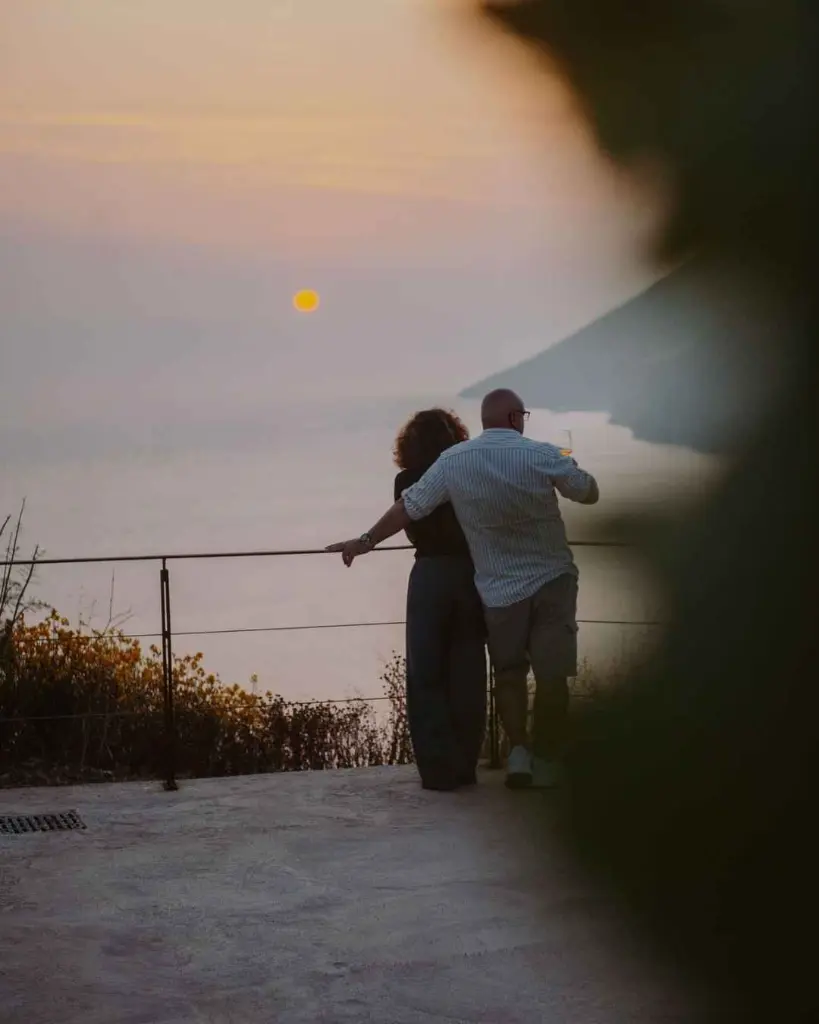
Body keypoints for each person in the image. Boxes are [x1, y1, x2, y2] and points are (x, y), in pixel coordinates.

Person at [327, 388, 599, 790]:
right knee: (549, 676)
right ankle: (544, 759)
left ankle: (511, 756)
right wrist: (565, 458)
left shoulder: (454, 462)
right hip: (549, 579)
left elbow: (409, 506)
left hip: (495, 586)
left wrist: (363, 542)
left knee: (502, 672)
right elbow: (588, 491)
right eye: (521, 414)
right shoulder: (543, 452)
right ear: (513, 419)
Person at [390, 409, 487, 791]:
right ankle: (466, 765)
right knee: (468, 671)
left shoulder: (407, 480)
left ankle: (436, 769)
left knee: (426, 672)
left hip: (430, 574)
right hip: (469, 574)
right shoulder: (469, 473)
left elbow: (411, 527)